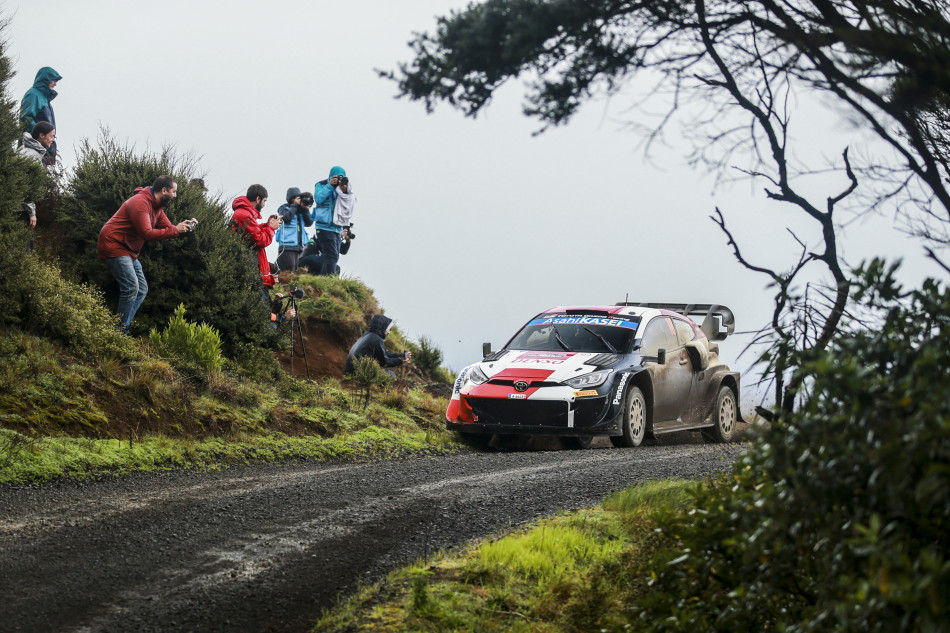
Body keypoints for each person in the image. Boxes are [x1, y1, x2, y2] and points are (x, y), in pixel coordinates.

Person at [97, 175, 196, 334]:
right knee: (131, 287)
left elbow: (169, 229)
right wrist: (175, 230)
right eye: (174, 191)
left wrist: (184, 229)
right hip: (114, 245)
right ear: (164, 190)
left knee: (141, 289)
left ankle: (123, 327)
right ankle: (119, 332)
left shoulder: (157, 207)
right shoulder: (140, 203)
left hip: (129, 250)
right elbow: (147, 233)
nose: (175, 196)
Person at [230, 184, 279, 290]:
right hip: (247, 265)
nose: (264, 204)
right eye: (264, 201)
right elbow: (259, 240)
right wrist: (271, 228)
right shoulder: (245, 214)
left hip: (247, 262)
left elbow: (252, 234)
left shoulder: (244, 212)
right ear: (258, 199)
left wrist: (267, 225)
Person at [18, 121, 57, 232]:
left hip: (18, 207)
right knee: (25, 247)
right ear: (41, 135)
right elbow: (24, 185)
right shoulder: (32, 155)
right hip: (21, 211)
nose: (53, 139)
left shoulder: (25, 150)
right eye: (51, 136)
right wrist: (31, 212)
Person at [344, 314, 411, 377]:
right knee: (391, 375)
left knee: (386, 372)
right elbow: (384, 362)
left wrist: (401, 355)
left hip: (349, 372)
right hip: (356, 374)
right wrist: (400, 361)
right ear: (382, 328)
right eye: (387, 329)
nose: (389, 332)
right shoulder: (376, 339)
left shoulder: (367, 335)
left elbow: (383, 354)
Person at [311, 166, 350, 276]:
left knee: (333, 256)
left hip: (337, 227)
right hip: (324, 226)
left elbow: (349, 204)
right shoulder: (322, 184)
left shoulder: (342, 189)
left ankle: (323, 281)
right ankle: (327, 282)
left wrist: (344, 190)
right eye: (337, 177)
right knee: (332, 256)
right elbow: (318, 199)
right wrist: (330, 186)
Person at [20, 67, 62, 164]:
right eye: (54, 80)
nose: (55, 83)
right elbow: (26, 119)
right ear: (46, 79)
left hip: (43, 149)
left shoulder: (45, 100)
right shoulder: (33, 95)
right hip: (33, 150)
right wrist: (39, 138)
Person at [274, 187, 314, 272]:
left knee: (297, 274)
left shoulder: (301, 211)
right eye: (297, 198)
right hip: (287, 248)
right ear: (292, 199)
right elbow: (287, 218)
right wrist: (294, 205)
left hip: (299, 248)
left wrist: (305, 208)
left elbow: (309, 222)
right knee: (288, 273)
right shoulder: (283, 208)